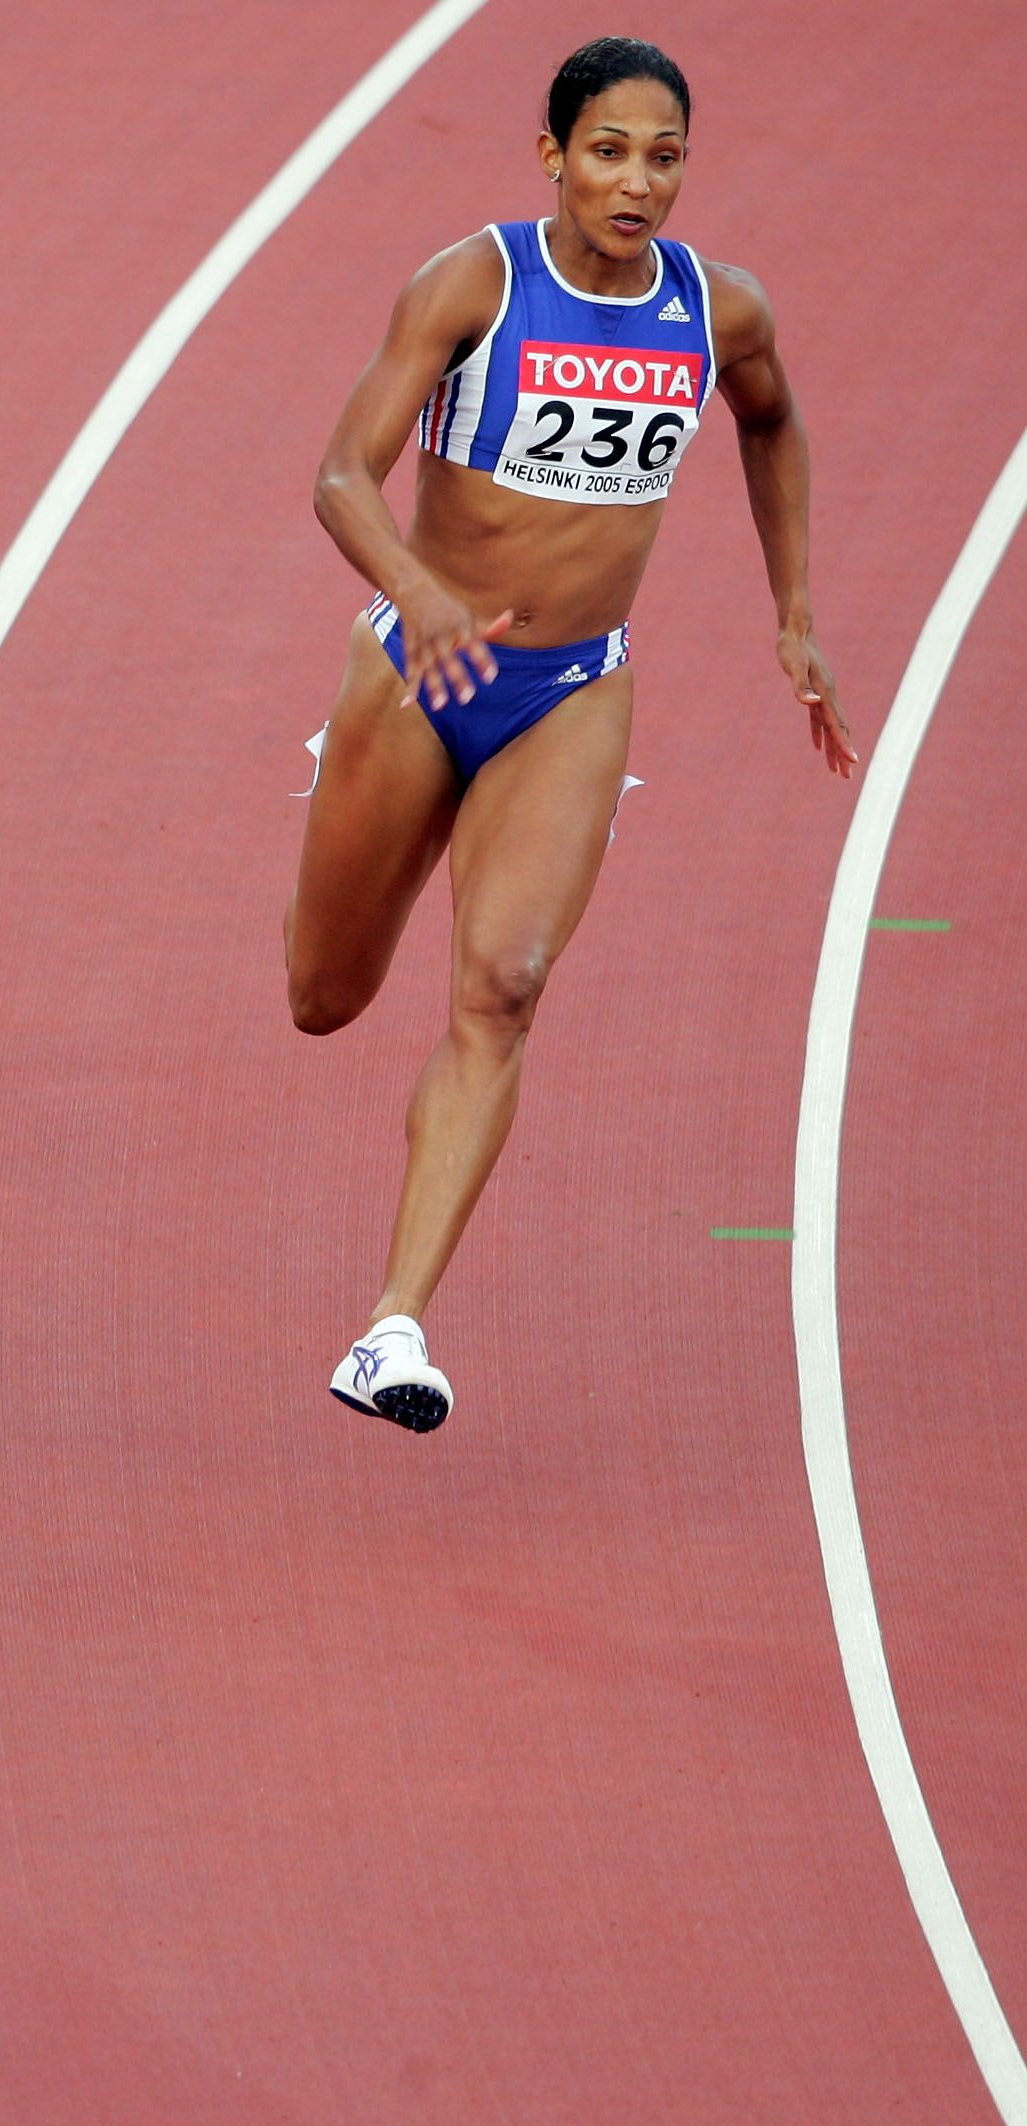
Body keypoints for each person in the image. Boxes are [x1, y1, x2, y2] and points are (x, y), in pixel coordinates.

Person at [287, 36, 852, 1429]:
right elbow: (343, 472)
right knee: (325, 995)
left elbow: (774, 423)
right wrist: (420, 592)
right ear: (553, 157)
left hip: (573, 689)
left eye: (664, 157)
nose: (637, 182)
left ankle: (392, 1326)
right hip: (415, 673)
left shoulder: (718, 311)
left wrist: (793, 609)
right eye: (608, 151)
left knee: (505, 984)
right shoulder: (475, 284)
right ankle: (349, 833)